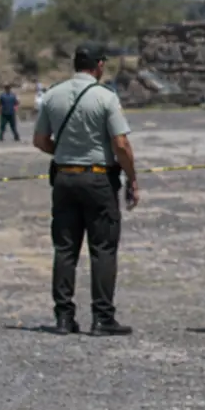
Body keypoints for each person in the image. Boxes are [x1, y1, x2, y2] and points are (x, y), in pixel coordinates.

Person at [32, 45, 139, 336]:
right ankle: (102, 317)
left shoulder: (52, 95)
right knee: (103, 248)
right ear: (100, 65)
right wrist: (132, 177)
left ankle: (64, 317)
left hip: (64, 177)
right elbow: (121, 144)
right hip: (98, 179)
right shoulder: (105, 97)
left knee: (65, 248)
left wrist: (65, 153)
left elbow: (40, 140)